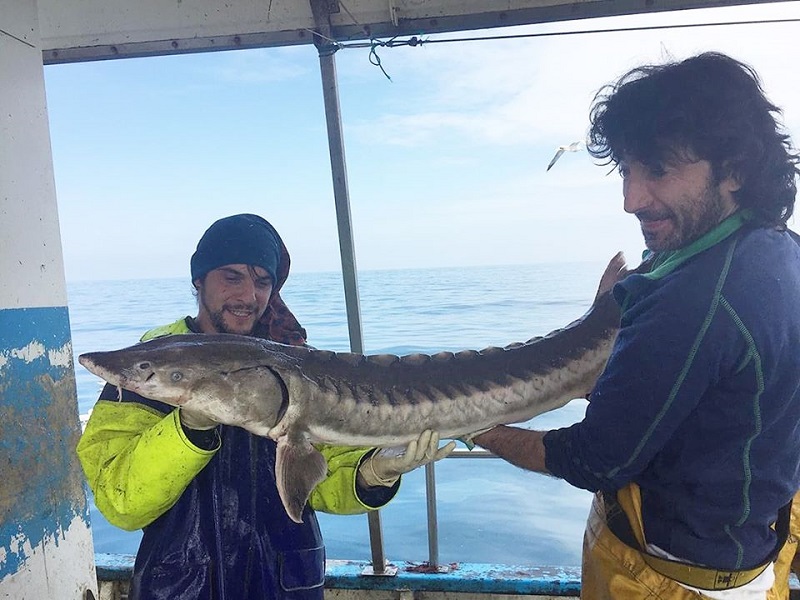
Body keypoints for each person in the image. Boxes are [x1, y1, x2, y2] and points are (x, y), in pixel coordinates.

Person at [474, 52, 800, 599]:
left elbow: (596, 458)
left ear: (736, 170)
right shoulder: (778, 249)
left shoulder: (693, 298)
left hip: (665, 581)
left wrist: (474, 428)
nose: (631, 199)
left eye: (659, 170)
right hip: (749, 550)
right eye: (627, 169)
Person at [77, 213, 455, 600]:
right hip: (183, 587)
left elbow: (320, 488)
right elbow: (120, 502)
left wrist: (372, 473)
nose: (248, 296)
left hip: (286, 584)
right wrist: (188, 427)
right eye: (232, 276)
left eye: (262, 281)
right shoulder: (151, 367)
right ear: (199, 279)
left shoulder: (293, 362)